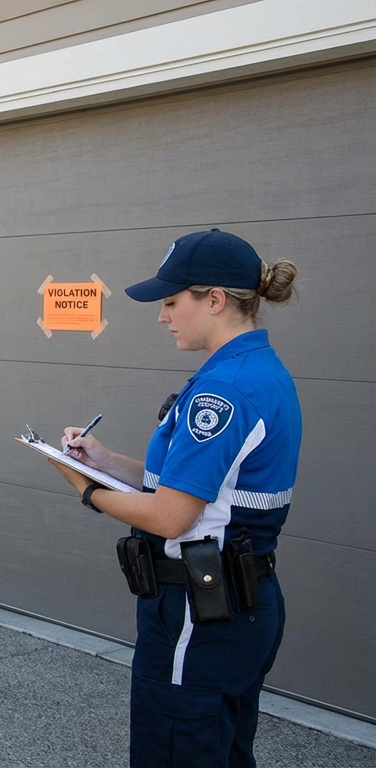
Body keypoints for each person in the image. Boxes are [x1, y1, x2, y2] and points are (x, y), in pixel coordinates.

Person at [49, 229, 301, 767]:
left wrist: (86, 489)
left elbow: (170, 515)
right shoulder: (261, 372)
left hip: (199, 611)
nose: (163, 316)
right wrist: (106, 461)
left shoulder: (222, 391)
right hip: (241, 603)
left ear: (213, 299)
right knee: (225, 750)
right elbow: (200, 488)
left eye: (170, 301)